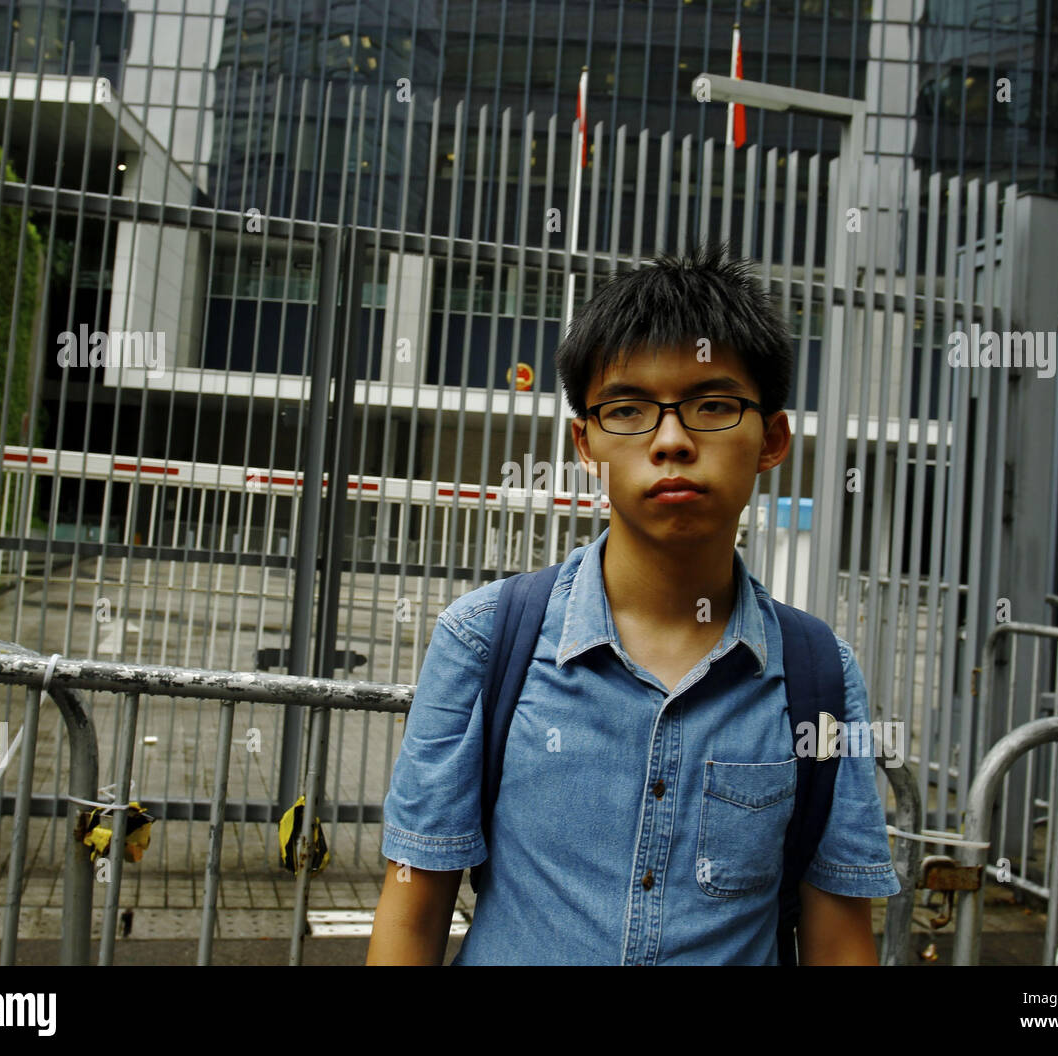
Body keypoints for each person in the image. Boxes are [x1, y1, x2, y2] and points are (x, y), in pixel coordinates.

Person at [367, 242, 901, 965]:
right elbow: (412, 908)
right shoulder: (486, 639)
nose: (671, 440)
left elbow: (839, 938)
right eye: (629, 409)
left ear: (771, 438)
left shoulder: (819, 676)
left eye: (713, 405)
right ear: (585, 442)